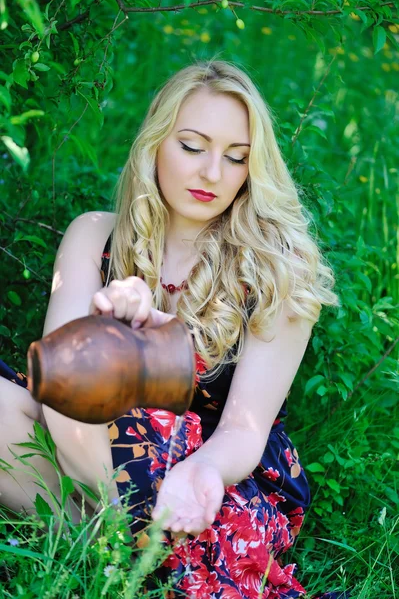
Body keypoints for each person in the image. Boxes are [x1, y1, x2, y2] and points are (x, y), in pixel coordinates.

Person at [0, 59, 347, 598]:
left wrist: (199, 474)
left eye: (236, 158)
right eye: (192, 146)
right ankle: (127, 552)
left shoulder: (279, 269)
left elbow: (244, 432)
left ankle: (112, 558)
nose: (213, 173)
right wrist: (110, 330)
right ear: (154, 144)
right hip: (90, 453)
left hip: (204, 474)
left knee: (176, 475)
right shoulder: (95, 236)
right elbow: (58, 383)